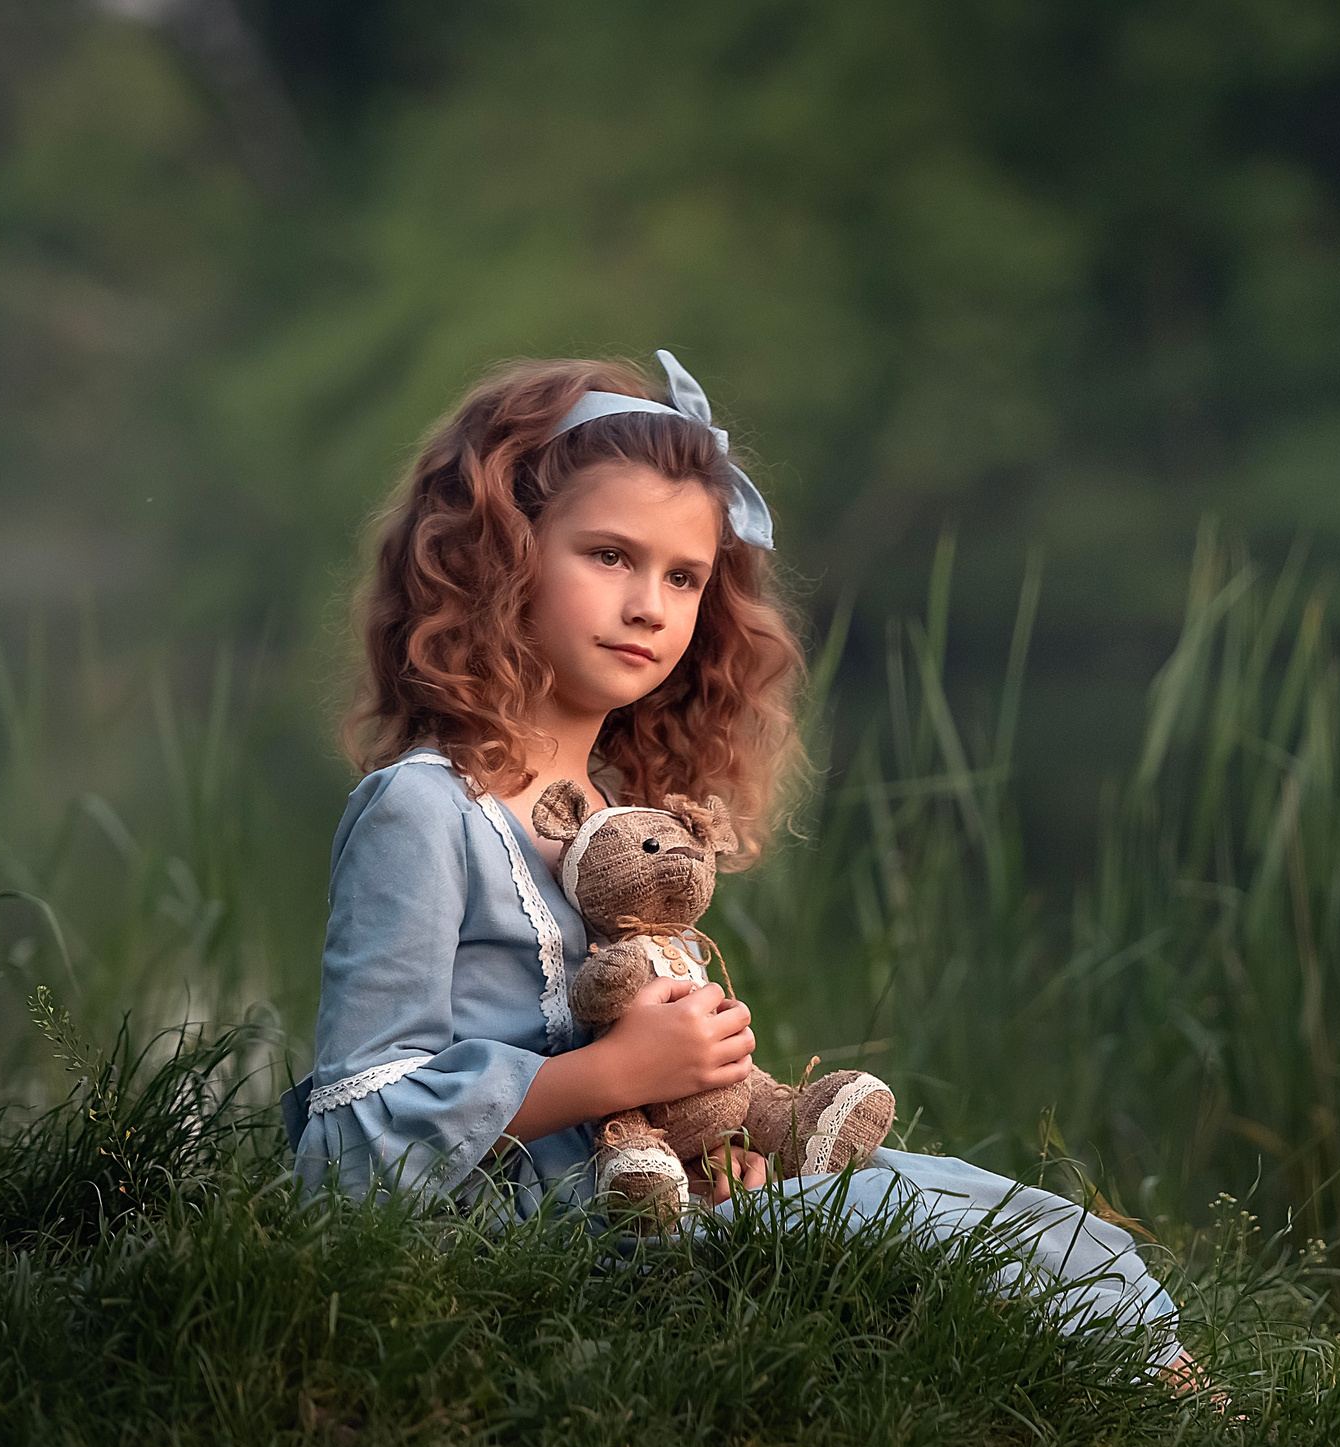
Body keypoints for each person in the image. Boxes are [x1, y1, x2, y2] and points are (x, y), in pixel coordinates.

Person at [285, 349, 1186, 1374]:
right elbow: (345, 1152)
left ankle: (1178, 1401)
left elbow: (653, 1086)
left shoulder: (630, 826)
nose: (650, 606)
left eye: (684, 576)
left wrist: (713, 1145)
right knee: (908, 1236)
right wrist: (608, 1076)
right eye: (609, 556)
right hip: (536, 1244)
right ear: (504, 555)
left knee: (976, 1212)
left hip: (656, 1200)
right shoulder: (424, 808)